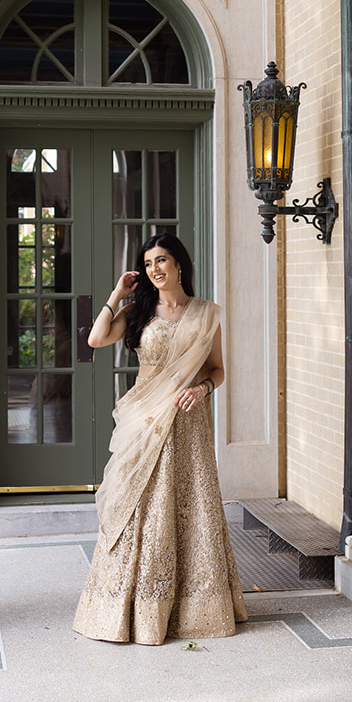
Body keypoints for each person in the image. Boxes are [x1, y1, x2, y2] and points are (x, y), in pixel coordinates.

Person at [73, 234, 248, 645]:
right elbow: (96, 340)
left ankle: (194, 607)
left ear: (179, 264)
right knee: (138, 503)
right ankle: (128, 608)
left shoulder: (206, 314)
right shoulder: (139, 310)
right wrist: (116, 294)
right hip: (143, 418)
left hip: (188, 421)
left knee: (188, 502)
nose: (155, 269)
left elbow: (218, 370)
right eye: (149, 263)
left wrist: (202, 389)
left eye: (162, 260)